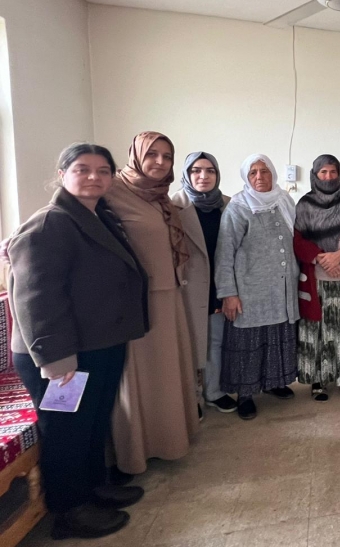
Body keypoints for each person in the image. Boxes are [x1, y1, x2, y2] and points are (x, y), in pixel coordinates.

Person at [8, 144, 147, 540]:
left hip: (99, 343)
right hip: (62, 354)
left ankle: (94, 487)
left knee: (93, 421)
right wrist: (56, 360)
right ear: (62, 174)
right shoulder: (48, 225)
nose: (93, 177)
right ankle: (69, 511)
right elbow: (36, 299)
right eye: (82, 169)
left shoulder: (98, 216)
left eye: (103, 171)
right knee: (66, 430)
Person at [106, 132, 199, 475]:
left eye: (167, 156)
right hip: (136, 302)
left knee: (168, 373)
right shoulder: (112, 190)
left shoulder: (161, 196)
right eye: (152, 154)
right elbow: (67, 214)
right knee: (142, 378)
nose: (160, 162)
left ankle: (171, 440)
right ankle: (138, 452)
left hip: (169, 294)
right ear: (135, 155)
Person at [215, 154, 300, 420]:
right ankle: (246, 394)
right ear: (246, 177)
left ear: (273, 173)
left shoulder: (284, 201)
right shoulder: (238, 207)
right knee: (248, 344)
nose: (260, 177)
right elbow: (224, 254)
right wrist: (228, 293)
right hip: (250, 291)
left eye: (265, 171)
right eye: (253, 173)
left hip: (282, 289)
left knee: (276, 338)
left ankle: (274, 382)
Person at [294, 154, 340, 401]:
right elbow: (297, 240)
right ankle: (319, 381)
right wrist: (322, 258)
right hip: (315, 279)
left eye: (333, 172)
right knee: (317, 331)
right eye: (323, 172)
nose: (328, 176)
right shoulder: (304, 204)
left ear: (339, 174)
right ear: (315, 175)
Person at [171, 152, 237, 415]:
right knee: (189, 343)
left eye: (210, 171)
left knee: (215, 340)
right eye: (196, 170)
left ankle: (213, 391)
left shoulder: (228, 205)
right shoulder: (173, 206)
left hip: (219, 282)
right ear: (187, 174)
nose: (203, 176)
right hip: (189, 284)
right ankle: (191, 398)